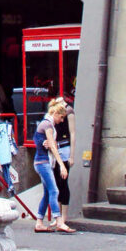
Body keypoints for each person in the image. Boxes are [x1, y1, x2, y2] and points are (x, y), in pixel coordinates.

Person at [32, 99, 75, 234]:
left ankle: (39, 222)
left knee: (47, 193)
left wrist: (42, 142)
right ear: (55, 113)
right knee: (54, 191)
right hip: (43, 162)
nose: (62, 121)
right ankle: (59, 220)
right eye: (61, 117)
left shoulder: (46, 123)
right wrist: (62, 164)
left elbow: (39, 140)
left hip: (42, 161)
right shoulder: (48, 125)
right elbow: (52, 145)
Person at [49, 95, 76, 226]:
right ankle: (58, 216)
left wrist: (72, 155)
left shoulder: (69, 111)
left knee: (63, 182)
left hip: (64, 148)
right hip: (55, 148)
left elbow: (73, 133)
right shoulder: (53, 112)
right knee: (56, 184)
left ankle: (64, 216)